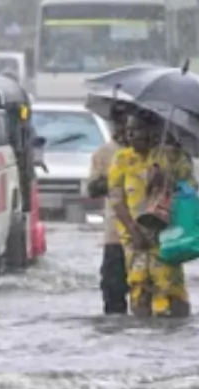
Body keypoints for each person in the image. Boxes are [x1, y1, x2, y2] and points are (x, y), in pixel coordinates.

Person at [107, 112, 196, 318]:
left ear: (153, 132)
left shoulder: (173, 158)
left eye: (136, 129)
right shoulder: (122, 159)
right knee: (139, 286)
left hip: (167, 234)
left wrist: (166, 180)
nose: (130, 134)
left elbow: (190, 192)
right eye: (128, 130)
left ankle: (175, 327)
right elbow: (116, 199)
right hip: (134, 237)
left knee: (170, 286)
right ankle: (144, 333)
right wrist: (133, 231)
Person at [87, 103, 130, 315]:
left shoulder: (152, 153)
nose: (123, 127)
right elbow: (92, 189)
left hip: (150, 235)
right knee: (113, 293)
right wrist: (114, 178)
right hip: (116, 235)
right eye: (118, 122)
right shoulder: (104, 153)